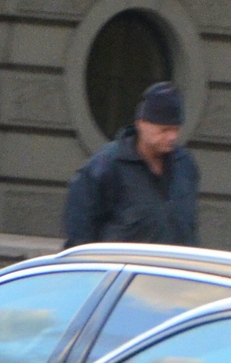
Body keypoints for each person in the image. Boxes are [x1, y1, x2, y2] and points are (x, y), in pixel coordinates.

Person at [63, 81, 200, 246]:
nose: (172, 137)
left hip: (172, 268)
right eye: (164, 130)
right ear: (141, 124)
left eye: (176, 129)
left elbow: (189, 227)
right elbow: (80, 230)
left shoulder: (184, 165)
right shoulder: (106, 166)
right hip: (122, 268)